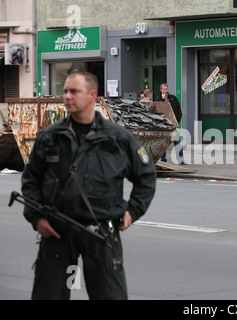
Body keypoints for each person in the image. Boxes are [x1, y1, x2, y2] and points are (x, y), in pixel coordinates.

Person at [21, 71, 157, 300]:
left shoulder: (118, 138)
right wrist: (37, 218)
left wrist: (132, 211)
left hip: (101, 235)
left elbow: (146, 176)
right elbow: (31, 180)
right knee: (51, 295)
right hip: (57, 236)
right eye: (65, 91)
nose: (67, 97)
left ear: (92, 95)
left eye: (74, 91)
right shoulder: (50, 137)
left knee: (108, 296)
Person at [154, 83, 185, 164]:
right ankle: (163, 160)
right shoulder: (158, 99)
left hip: (173, 124)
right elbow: (156, 111)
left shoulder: (173, 98)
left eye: (166, 89)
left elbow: (178, 110)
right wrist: (162, 100)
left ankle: (181, 159)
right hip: (163, 125)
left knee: (177, 142)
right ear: (161, 90)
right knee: (163, 143)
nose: (165, 91)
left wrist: (176, 121)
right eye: (164, 89)